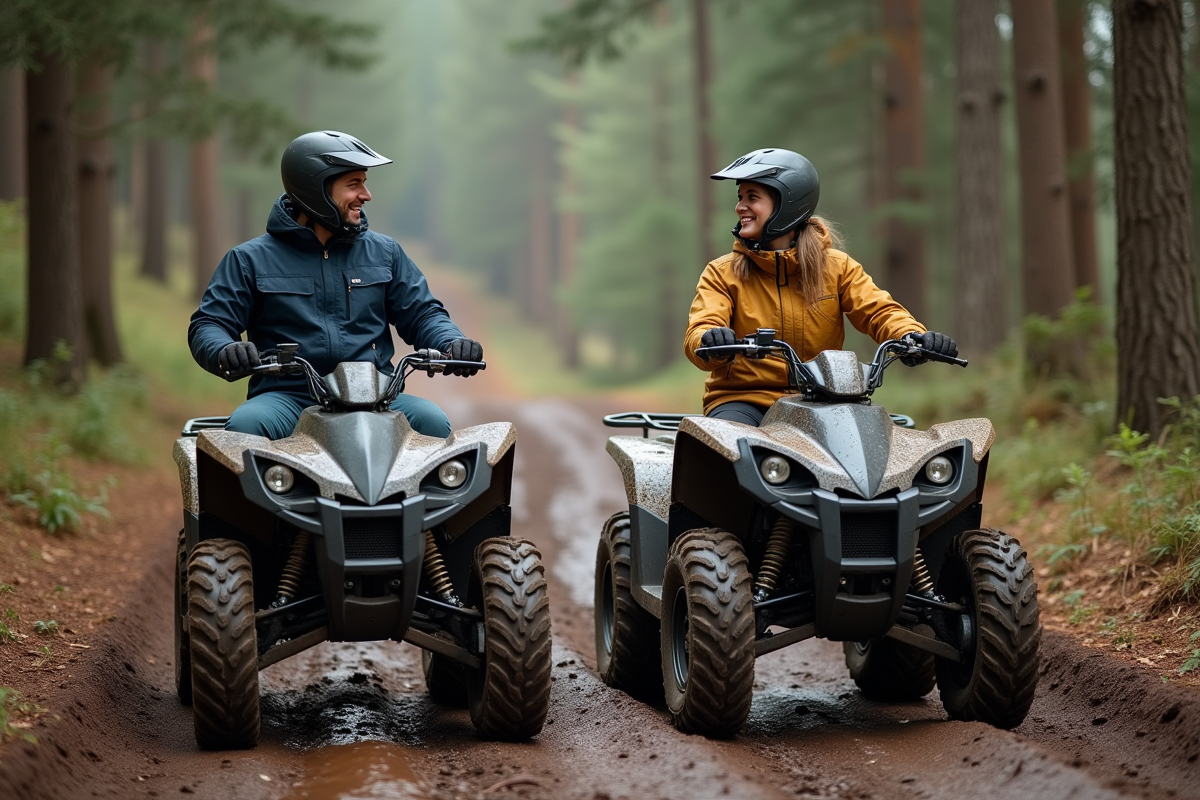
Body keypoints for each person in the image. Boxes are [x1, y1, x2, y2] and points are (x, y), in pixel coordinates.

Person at [188, 130, 481, 440]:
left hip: (377, 398)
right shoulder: (249, 259)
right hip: (288, 399)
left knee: (431, 421)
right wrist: (225, 349)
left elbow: (423, 314)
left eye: (364, 183)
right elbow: (209, 324)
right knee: (245, 429)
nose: (365, 195)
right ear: (317, 190)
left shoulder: (385, 253)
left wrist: (451, 342)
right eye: (353, 185)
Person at [684, 148, 957, 426]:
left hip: (826, 399)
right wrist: (712, 341)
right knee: (727, 449)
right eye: (740, 197)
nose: (740, 206)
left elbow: (878, 311)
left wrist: (913, 337)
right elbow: (701, 328)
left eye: (752, 197)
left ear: (786, 204)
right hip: (745, 400)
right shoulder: (722, 273)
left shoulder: (838, 267)